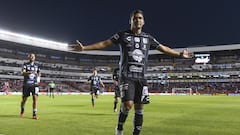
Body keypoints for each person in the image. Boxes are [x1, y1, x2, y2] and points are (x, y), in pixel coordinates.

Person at [71, 9, 193, 135]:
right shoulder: (122, 35)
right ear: (130, 21)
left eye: (140, 18)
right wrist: (84, 48)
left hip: (141, 77)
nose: (138, 20)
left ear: (143, 21)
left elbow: (163, 48)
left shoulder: (148, 38)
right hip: (126, 76)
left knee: (139, 108)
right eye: (135, 18)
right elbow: (105, 43)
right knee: (128, 105)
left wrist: (179, 54)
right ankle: (119, 129)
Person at [20, 53, 41, 120]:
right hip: (26, 84)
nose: (32, 57)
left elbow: (39, 73)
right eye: (31, 56)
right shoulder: (25, 65)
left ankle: (34, 114)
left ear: (35, 58)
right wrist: (29, 72)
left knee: (35, 98)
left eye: (33, 56)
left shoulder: (37, 65)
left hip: (34, 84)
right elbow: (22, 73)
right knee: (24, 100)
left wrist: (38, 79)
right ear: (29, 57)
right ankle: (22, 110)